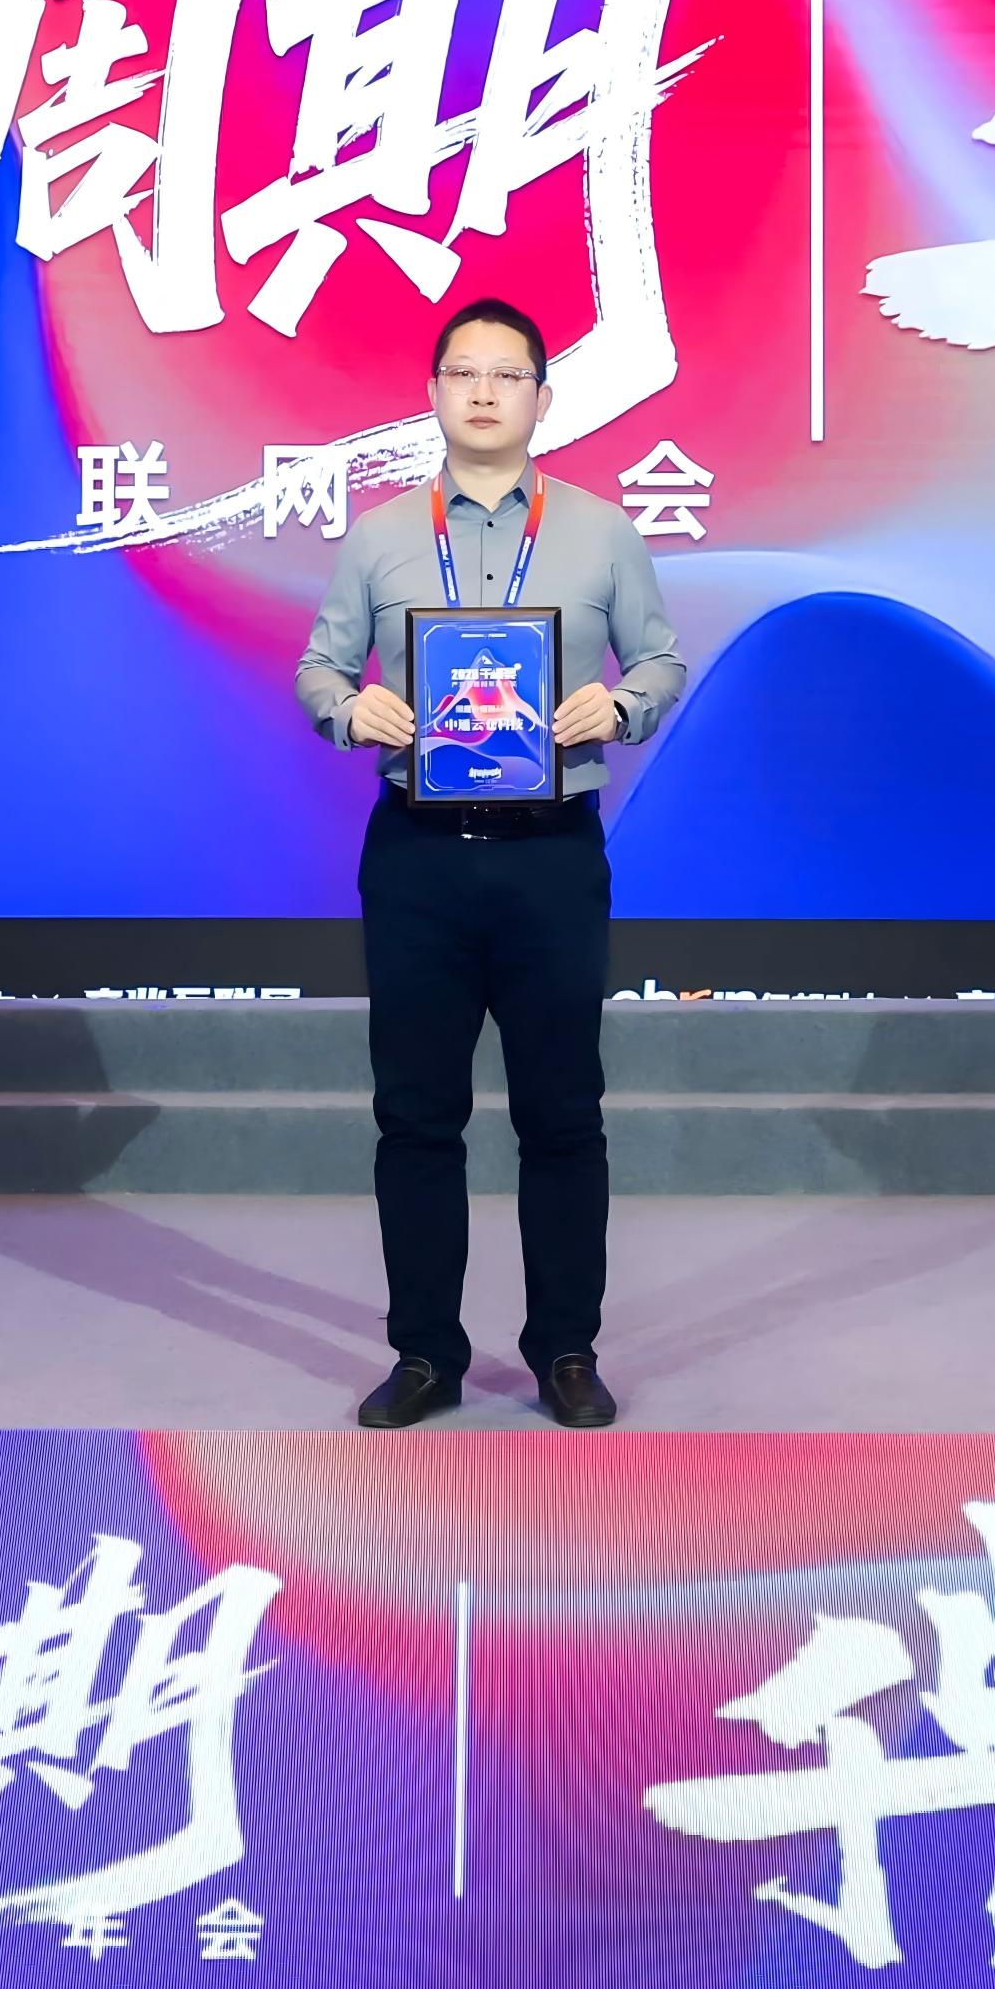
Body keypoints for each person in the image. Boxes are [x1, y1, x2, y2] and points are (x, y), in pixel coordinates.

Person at [295, 298, 687, 1430]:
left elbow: (660, 659)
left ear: (541, 398)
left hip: (548, 856)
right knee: (416, 1115)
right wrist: (350, 709)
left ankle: (565, 1348)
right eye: (460, 371)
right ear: (431, 393)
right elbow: (319, 667)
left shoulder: (600, 531)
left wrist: (616, 705)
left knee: (561, 1113)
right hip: (416, 855)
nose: (481, 390)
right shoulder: (379, 535)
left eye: (505, 373)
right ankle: (425, 1353)